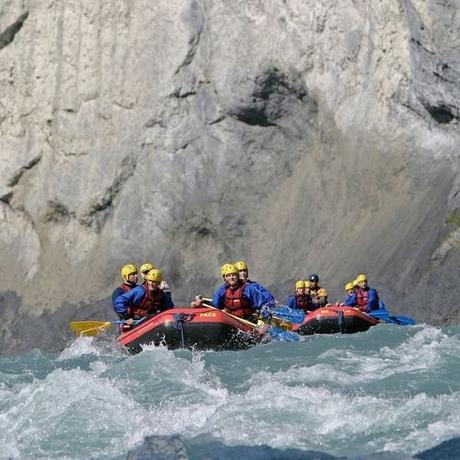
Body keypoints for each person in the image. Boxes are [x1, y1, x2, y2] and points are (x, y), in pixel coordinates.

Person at [192, 263, 275, 320]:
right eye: (228, 276)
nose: (231, 278)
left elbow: (265, 304)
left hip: (248, 320)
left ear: (237, 276)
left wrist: (264, 322)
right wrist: (201, 304)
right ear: (225, 278)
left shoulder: (248, 288)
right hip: (231, 320)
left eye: (234, 275)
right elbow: (215, 306)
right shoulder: (222, 290)